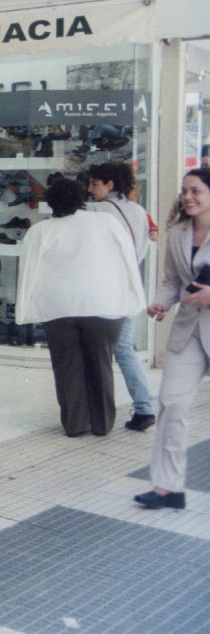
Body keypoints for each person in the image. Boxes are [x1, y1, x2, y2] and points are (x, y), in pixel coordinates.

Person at [15, 178, 145, 437]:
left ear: (50, 202)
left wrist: (24, 312)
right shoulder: (106, 223)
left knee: (67, 368)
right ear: (81, 198)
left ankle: (75, 424)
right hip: (104, 306)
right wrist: (134, 298)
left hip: (59, 308)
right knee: (101, 364)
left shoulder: (40, 231)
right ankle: (102, 423)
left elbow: (28, 273)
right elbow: (128, 260)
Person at [134, 168, 210, 510]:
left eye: (196, 191)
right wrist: (160, 303)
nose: (188, 197)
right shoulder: (178, 233)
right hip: (188, 331)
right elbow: (170, 281)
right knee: (171, 403)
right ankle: (168, 487)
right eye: (184, 191)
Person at [88, 161, 156, 431]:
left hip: (103, 292)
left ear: (110, 185)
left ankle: (97, 413)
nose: (90, 189)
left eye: (94, 183)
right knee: (124, 349)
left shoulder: (94, 211)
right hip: (131, 289)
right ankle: (144, 408)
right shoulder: (139, 211)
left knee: (99, 352)